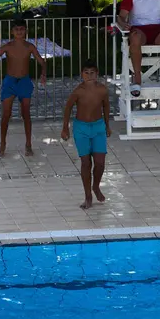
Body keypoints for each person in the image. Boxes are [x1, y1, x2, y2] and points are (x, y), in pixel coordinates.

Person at [0, 19, 47, 158]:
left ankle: (28, 144)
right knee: (6, 114)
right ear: (12, 32)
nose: (19, 32)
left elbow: (42, 62)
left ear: (26, 31)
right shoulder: (7, 47)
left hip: (24, 81)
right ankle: (3, 143)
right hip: (10, 82)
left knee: (26, 113)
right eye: (16, 29)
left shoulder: (30, 47)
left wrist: (43, 73)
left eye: (22, 29)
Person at [61, 60, 112, 210]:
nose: (89, 76)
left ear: (97, 74)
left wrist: (107, 125)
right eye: (86, 73)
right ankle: (88, 195)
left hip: (98, 127)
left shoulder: (102, 90)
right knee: (85, 162)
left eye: (92, 73)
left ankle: (96, 186)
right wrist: (65, 128)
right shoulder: (78, 91)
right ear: (82, 75)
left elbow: (106, 106)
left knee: (100, 163)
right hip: (81, 128)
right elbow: (68, 108)